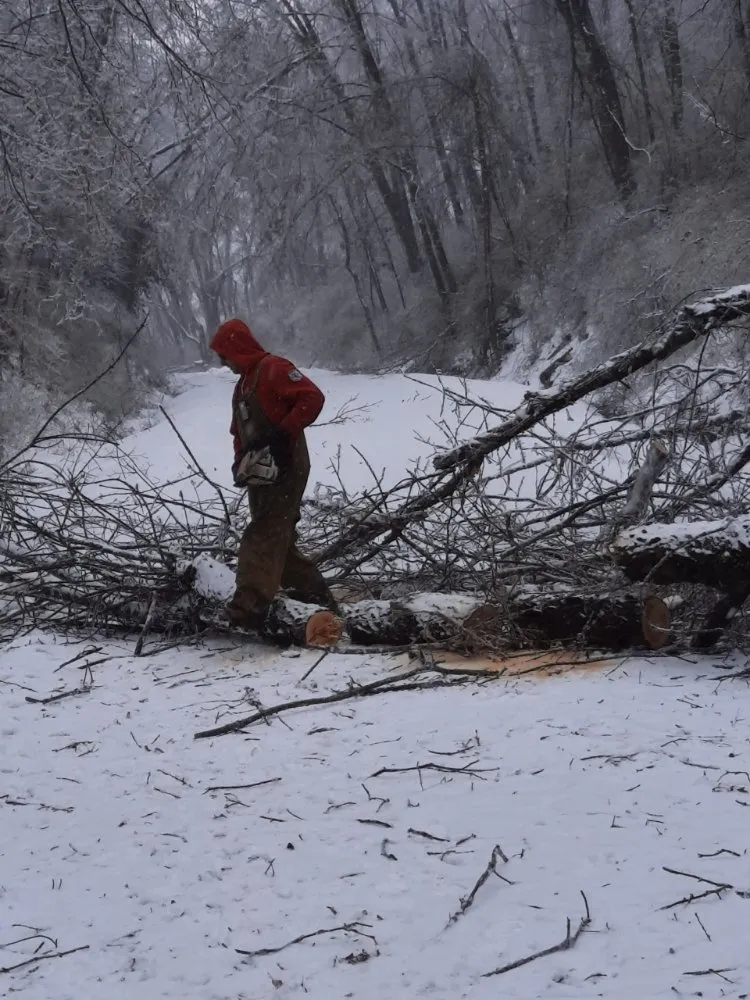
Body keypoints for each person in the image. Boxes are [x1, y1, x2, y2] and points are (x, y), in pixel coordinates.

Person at [209, 318, 337, 629]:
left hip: (287, 463)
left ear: (237, 350)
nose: (224, 364)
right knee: (279, 539)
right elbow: (238, 431)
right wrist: (240, 461)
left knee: (263, 533)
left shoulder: (274, 369)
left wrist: (284, 433)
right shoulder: (242, 386)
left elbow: (312, 398)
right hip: (261, 471)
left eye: (224, 357)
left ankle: (247, 609)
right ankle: (317, 601)